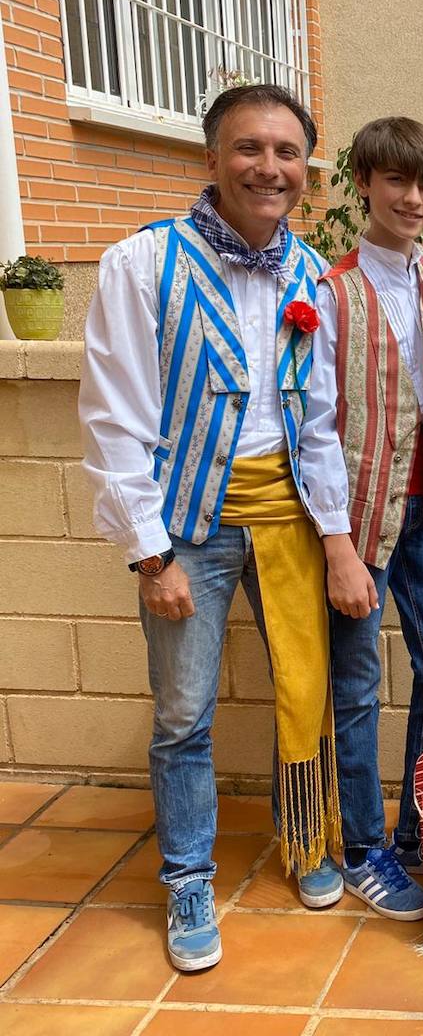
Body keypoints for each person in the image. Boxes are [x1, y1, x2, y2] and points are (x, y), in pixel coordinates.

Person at [78, 84, 375, 971]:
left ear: (306, 172)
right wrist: (150, 553)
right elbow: (113, 417)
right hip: (189, 522)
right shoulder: (140, 263)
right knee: (182, 713)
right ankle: (186, 878)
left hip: (289, 511)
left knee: (306, 690)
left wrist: (337, 538)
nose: (269, 167)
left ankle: (307, 839)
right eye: (249, 149)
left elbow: (315, 422)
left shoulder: (310, 274)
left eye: (287, 153)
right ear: (210, 159)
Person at [311, 116, 423, 917]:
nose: (415, 199)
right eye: (397, 183)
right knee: (353, 684)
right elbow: (313, 426)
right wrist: (336, 545)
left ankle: (420, 830)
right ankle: (362, 848)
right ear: (364, 184)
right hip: (356, 517)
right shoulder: (330, 290)